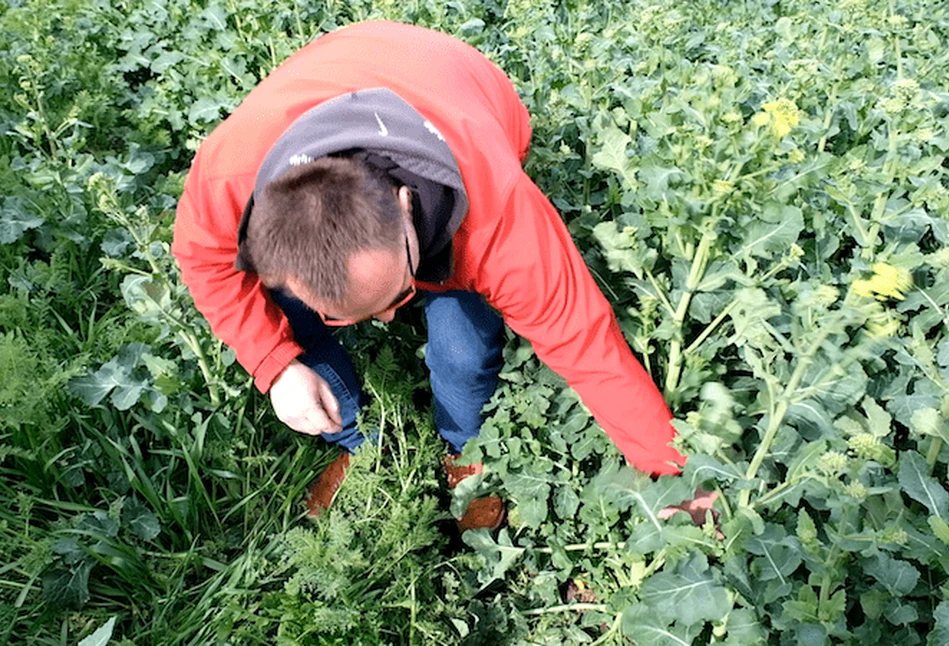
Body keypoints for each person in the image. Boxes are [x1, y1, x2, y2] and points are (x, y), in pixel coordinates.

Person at [172, 20, 689, 531]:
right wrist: (276, 365)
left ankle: (464, 447)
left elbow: (586, 346)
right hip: (334, 71)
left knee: (462, 347)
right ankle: (361, 443)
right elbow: (204, 264)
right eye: (358, 315)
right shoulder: (227, 185)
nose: (393, 319)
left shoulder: (498, 217)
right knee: (284, 322)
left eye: (399, 293)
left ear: (404, 205)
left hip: (450, 77)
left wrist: (678, 480)